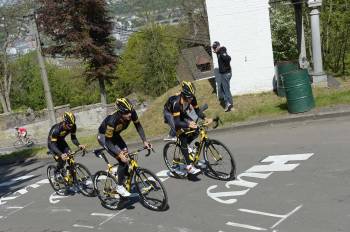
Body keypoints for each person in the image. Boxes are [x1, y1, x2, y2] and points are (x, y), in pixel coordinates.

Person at [97, 97, 152, 197]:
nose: (129, 114)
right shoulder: (112, 120)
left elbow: (138, 126)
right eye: (126, 113)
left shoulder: (131, 113)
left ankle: (123, 179)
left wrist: (145, 141)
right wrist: (119, 154)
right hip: (104, 137)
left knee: (127, 156)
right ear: (120, 112)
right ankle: (119, 186)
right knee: (122, 160)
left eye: (130, 111)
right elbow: (109, 141)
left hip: (115, 135)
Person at [163, 81, 211, 176]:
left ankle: (186, 149)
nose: (192, 99)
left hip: (181, 112)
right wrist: (188, 125)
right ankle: (189, 166)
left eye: (192, 96)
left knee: (196, 129)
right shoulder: (176, 102)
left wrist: (206, 118)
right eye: (189, 97)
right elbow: (177, 122)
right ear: (184, 95)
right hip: (170, 114)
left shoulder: (191, 98)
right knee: (182, 135)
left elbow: (197, 111)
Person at [47, 112, 85, 177]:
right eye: (69, 125)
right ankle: (56, 172)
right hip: (52, 144)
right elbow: (52, 144)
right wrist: (61, 154)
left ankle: (73, 178)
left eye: (72, 125)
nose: (71, 127)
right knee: (62, 160)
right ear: (64, 122)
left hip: (61, 142)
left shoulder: (73, 126)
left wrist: (79, 145)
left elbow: (73, 138)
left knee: (70, 157)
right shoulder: (56, 129)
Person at [212, 41, 234, 112]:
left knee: (226, 89)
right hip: (224, 73)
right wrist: (216, 51)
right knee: (223, 88)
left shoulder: (221, 51)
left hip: (225, 74)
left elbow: (228, 58)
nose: (214, 49)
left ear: (218, 46)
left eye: (215, 48)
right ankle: (228, 104)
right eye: (213, 48)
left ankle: (229, 104)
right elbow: (218, 52)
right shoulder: (219, 52)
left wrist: (224, 55)